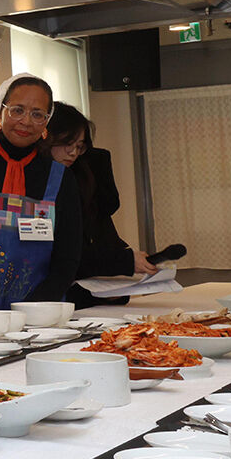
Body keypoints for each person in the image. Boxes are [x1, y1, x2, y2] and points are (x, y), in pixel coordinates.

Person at [0, 73, 83, 308]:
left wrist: (33, 310)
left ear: (46, 122)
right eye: (17, 110)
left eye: (37, 114)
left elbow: (68, 257)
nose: (26, 121)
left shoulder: (61, 178)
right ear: (0, 113)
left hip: (41, 313)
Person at [46, 102, 156, 308]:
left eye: (79, 146)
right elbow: (64, 257)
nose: (73, 152)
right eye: (67, 143)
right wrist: (124, 262)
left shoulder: (77, 178)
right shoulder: (43, 185)